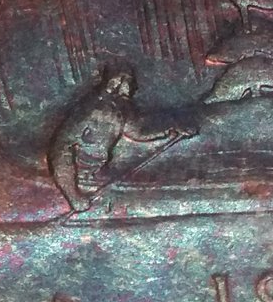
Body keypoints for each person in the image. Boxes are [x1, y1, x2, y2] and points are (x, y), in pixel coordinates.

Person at [48, 68, 189, 210]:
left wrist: (170, 130)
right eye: (119, 80)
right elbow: (62, 146)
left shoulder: (121, 110)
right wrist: (73, 196)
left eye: (127, 81)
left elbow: (138, 132)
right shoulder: (89, 108)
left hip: (98, 171)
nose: (123, 86)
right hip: (77, 171)